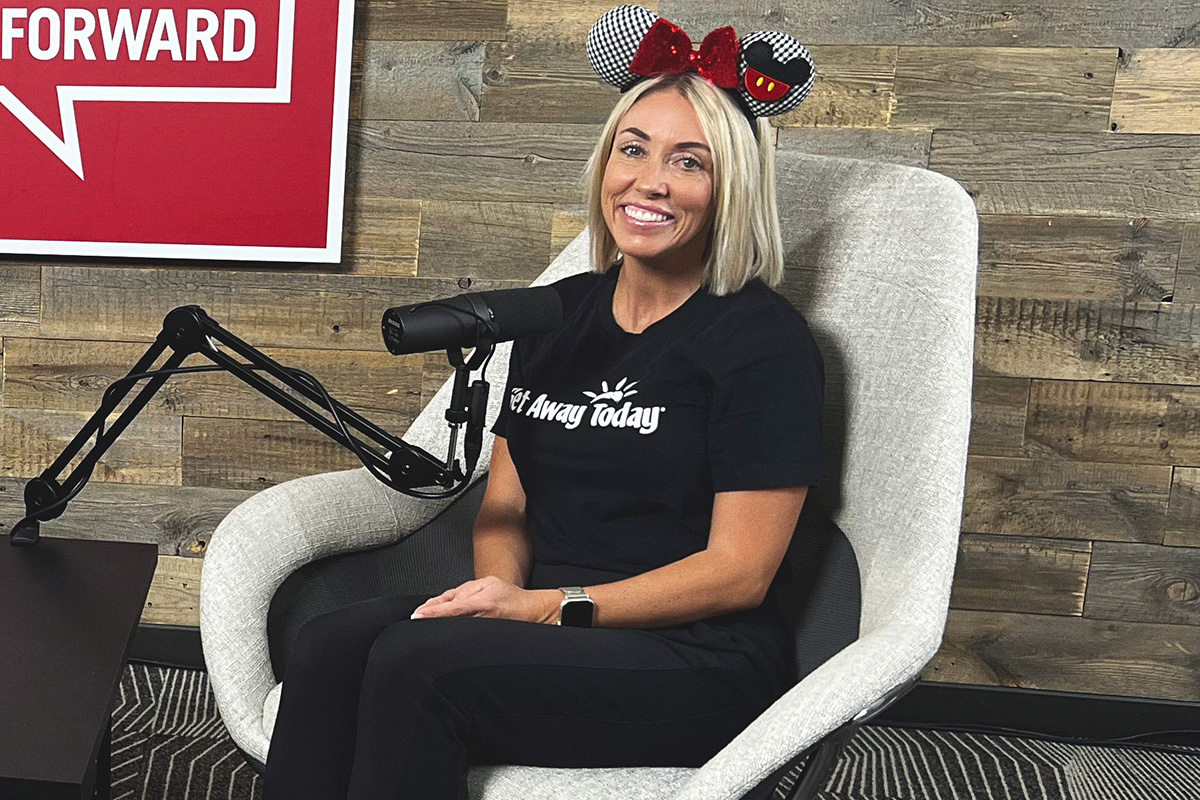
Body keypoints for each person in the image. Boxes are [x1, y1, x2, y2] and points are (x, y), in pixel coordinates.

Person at [262, 8, 822, 799]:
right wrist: (502, 600)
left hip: (696, 655)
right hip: (544, 618)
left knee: (414, 665)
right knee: (328, 643)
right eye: (633, 149)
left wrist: (551, 610)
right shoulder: (555, 315)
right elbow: (504, 511)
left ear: (729, 188)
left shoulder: (763, 343)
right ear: (604, 165)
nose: (649, 181)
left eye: (688, 162)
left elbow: (739, 574)